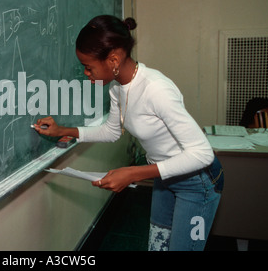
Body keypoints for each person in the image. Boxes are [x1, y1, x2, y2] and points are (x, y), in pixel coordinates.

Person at [33, 15, 223, 251]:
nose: (85, 73)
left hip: (197, 182)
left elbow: (202, 154)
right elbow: (111, 131)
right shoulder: (117, 88)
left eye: (88, 67)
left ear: (113, 59)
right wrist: (63, 130)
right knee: (158, 246)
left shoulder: (156, 89)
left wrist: (133, 173)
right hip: (164, 175)